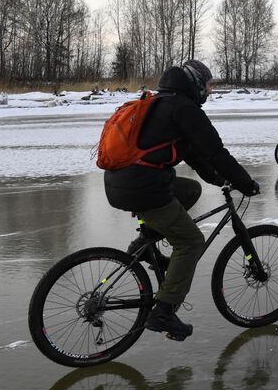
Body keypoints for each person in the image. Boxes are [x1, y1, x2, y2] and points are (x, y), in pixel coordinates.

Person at [103, 59, 260, 340]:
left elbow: (195, 155)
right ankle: (162, 312)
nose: (210, 91)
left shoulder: (162, 103)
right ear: (196, 83)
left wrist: (218, 179)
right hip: (143, 187)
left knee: (190, 189)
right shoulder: (186, 109)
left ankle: (146, 241)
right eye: (209, 85)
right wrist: (244, 182)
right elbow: (216, 153)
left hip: (121, 182)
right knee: (191, 243)